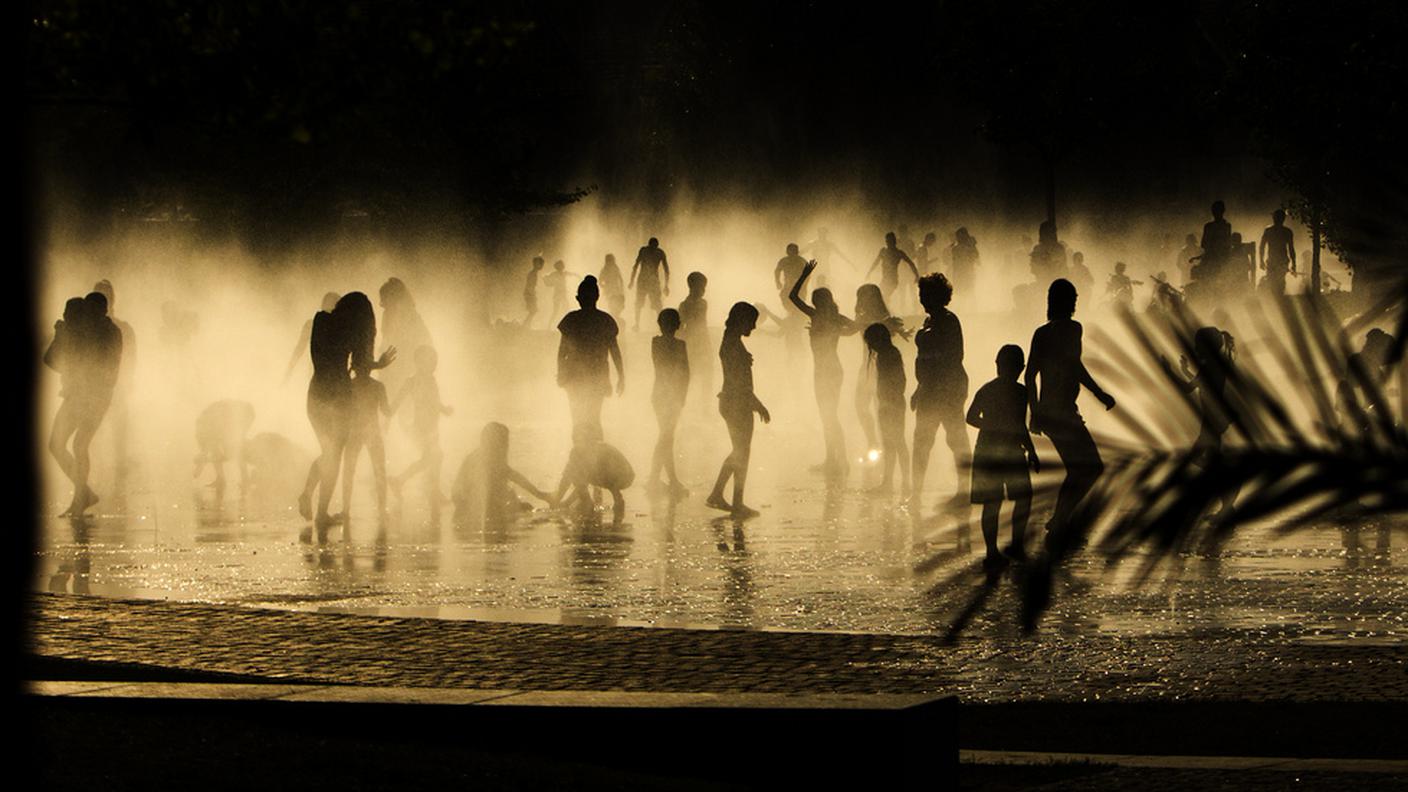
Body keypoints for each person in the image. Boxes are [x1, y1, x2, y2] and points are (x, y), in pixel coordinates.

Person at [1026, 279, 1115, 538]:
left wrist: (1034, 411)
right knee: (1090, 468)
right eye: (1072, 299)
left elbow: (1030, 375)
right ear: (1066, 302)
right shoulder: (1073, 329)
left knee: (1079, 469)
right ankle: (1060, 520)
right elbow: (1075, 367)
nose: (1075, 304)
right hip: (1063, 412)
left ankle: (1060, 520)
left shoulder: (1041, 333)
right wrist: (1100, 394)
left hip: (1051, 412)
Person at [301, 292, 396, 528]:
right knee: (333, 454)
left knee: (328, 452)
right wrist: (379, 364)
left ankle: (308, 493)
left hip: (316, 393)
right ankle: (321, 511)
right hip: (340, 396)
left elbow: (321, 357)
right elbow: (360, 365)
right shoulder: (353, 332)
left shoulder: (320, 320)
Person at [45, 294, 122, 516]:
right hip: (77, 395)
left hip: (96, 396)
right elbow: (51, 360)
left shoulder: (108, 332)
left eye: (91, 311)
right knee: (57, 444)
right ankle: (83, 492)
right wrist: (62, 336)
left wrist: (66, 336)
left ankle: (81, 496)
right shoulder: (88, 332)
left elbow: (99, 364)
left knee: (79, 444)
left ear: (101, 311)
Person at [967, 345, 1040, 572]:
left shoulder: (988, 389)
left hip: (988, 449)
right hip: (1009, 450)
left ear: (997, 365)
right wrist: (1030, 450)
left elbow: (971, 417)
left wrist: (990, 426)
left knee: (993, 502)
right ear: (1021, 368)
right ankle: (1014, 545)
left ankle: (994, 551)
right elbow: (1018, 425)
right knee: (1021, 497)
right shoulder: (1020, 393)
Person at [1160, 327, 1237, 519]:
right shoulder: (1214, 364)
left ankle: (1227, 488)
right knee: (1209, 459)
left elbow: (1188, 389)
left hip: (1211, 421)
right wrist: (1185, 370)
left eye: (1197, 344)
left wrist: (1168, 371)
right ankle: (1227, 503)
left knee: (1197, 458)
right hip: (1213, 419)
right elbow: (1199, 384)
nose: (1194, 347)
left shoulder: (1210, 366)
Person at [790, 260, 857, 476]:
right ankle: (833, 459)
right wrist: (839, 332)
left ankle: (841, 461)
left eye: (815, 299)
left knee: (830, 416)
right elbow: (856, 328)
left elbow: (792, 297)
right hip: (829, 370)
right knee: (828, 416)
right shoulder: (832, 317)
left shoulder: (817, 316)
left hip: (826, 371)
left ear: (819, 302)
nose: (813, 302)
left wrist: (804, 275)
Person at [910, 273, 970, 512]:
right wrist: (919, 387)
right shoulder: (929, 321)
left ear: (938, 296)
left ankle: (964, 491)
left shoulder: (948, 321)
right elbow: (923, 359)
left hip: (947, 388)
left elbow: (955, 357)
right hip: (929, 388)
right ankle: (915, 494)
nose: (922, 298)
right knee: (922, 441)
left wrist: (938, 387)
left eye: (925, 294)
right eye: (921, 294)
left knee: (955, 439)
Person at [707, 302, 771, 517]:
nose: (753, 327)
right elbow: (738, 382)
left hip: (733, 401)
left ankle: (727, 498)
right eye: (751, 322)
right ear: (741, 320)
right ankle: (730, 500)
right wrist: (758, 404)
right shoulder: (733, 344)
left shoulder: (731, 341)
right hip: (737, 402)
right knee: (741, 452)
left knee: (740, 451)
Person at [557, 275, 624, 436]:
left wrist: (561, 372)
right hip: (597, 374)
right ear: (597, 297)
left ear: (578, 298)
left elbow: (562, 351)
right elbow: (614, 350)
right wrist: (621, 375)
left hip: (574, 376)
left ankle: (580, 455)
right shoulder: (605, 320)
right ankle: (595, 454)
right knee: (594, 417)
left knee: (577, 418)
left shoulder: (571, 320)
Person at [389, 345, 453, 512]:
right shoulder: (412, 381)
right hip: (421, 426)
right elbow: (398, 399)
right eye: (430, 361)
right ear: (418, 363)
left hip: (432, 425)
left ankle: (404, 482)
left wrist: (444, 409)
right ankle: (428, 490)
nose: (434, 365)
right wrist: (388, 413)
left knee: (431, 459)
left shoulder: (431, 380)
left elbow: (434, 401)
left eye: (435, 361)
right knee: (434, 457)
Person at [452, 422, 554, 526]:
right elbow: (514, 476)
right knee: (522, 509)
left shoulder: (482, 454)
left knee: (518, 504)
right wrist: (540, 495)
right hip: (468, 503)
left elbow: (508, 477)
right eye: (504, 440)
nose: (507, 444)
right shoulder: (485, 458)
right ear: (495, 440)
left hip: (466, 501)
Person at [853, 284, 908, 453]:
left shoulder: (884, 317)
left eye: (864, 296)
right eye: (860, 296)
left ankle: (885, 446)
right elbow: (855, 326)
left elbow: (890, 328)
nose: (861, 300)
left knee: (881, 408)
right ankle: (873, 441)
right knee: (860, 406)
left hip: (881, 369)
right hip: (866, 367)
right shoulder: (865, 317)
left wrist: (901, 330)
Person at [556, 423, 635, 525]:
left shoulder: (595, 450)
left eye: (579, 439)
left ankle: (589, 502)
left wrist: (562, 500)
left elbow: (579, 478)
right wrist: (564, 501)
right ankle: (587, 501)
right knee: (575, 470)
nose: (576, 442)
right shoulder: (587, 450)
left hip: (622, 477)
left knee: (576, 470)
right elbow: (576, 478)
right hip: (622, 476)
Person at [864, 323, 911, 494]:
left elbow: (900, 381)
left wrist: (889, 400)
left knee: (897, 442)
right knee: (891, 443)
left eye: (870, 341)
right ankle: (890, 482)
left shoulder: (890, 355)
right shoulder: (887, 354)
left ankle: (903, 482)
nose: (870, 345)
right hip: (889, 403)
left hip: (893, 404)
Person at [649, 308, 690, 496]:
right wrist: (681, 395)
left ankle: (659, 479)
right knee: (666, 437)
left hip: (661, 394)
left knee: (665, 437)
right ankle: (662, 480)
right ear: (678, 325)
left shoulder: (656, 343)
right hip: (669, 395)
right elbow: (685, 372)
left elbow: (681, 371)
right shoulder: (679, 345)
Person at [193, 400, 256, 499]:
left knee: (236, 446)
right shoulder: (205, 428)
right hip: (229, 417)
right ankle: (221, 479)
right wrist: (202, 460)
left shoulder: (211, 424)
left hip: (243, 413)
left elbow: (211, 443)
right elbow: (209, 444)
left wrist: (202, 461)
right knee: (218, 446)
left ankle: (245, 478)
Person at [678, 271, 713, 415]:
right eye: (701, 287)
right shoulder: (685, 305)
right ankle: (683, 406)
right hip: (693, 344)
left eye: (704, 287)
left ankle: (705, 408)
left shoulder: (702, 303)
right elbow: (681, 327)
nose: (703, 291)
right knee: (690, 376)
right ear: (692, 286)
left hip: (702, 342)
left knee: (706, 376)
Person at [286, 293, 340, 382]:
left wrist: (289, 371)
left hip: (326, 375)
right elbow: (299, 349)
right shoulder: (312, 325)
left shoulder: (339, 327)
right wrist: (289, 371)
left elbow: (299, 349)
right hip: (325, 374)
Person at [630, 237, 671, 331]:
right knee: (641, 303)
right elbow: (635, 266)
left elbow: (666, 270)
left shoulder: (658, 252)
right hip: (646, 281)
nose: (652, 250)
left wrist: (666, 285)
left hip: (650, 281)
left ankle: (661, 325)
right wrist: (632, 281)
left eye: (654, 248)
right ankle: (637, 324)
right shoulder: (649, 251)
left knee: (656, 304)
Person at [868, 232, 921, 302]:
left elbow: (911, 263)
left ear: (894, 242)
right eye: (887, 241)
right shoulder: (883, 251)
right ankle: (886, 310)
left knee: (884, 296)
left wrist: (917, 275)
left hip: (893, 280)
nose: (887, 243)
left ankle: (886, 310)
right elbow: (876, 262)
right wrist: (869, 272)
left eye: (889, 241)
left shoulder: (898, 253)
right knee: (882, 297)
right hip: (884, 279)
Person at [1259, 209, 1297, 296]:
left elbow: (1262, 246)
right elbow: (1291, 249)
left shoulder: (1269, 230)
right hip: (1279, 260)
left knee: (1274, 281)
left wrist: (1261, 260)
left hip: (1275, 260)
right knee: (1277, 281)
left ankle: (1277, 298)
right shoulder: (1287, 232)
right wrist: (1294, 264)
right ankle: (1278, 298)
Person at [774, 243, 809, 312]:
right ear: (787, 252)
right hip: (788, 284)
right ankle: (790, 312)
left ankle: (797, 314)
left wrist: (804, 284)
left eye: (794, 251)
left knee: (800, 300)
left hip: (799, 285)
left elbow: (808, 274)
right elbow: (777, 271)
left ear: (797, 252)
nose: (792, 253)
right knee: (783, 296)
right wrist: (777, 281)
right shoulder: (784, 261)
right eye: (790, 251)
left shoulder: (802, 261)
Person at [947, 228, 980, 297]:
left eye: (959, 236)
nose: (958, 238)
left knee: (966, 294)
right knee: (964, 294)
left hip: (965, 274)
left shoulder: (958, 248)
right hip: (962, 274)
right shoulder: (957, 248)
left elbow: (975, 257)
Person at [600, 253, 627, 320]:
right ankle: (614, 317)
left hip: (613, 290)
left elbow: (620, 278)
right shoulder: (606, 269)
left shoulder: (613, 268)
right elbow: (600, 280)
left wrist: (621, 287)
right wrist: (604, 286)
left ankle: (614, 317)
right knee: (612, 305)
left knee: (615, 305)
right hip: (611, 290)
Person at [523, 257, 545, 327]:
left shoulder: (534, 273)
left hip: (529, 293)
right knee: (533, 310)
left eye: (542, 264)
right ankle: (525, 325)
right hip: (529, 293)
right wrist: (532, 294)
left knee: (533, 311)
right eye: (541, 264)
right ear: (536, 264)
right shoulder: (532, 274)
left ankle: (526, 325)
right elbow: (530, 285)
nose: (542, 266)